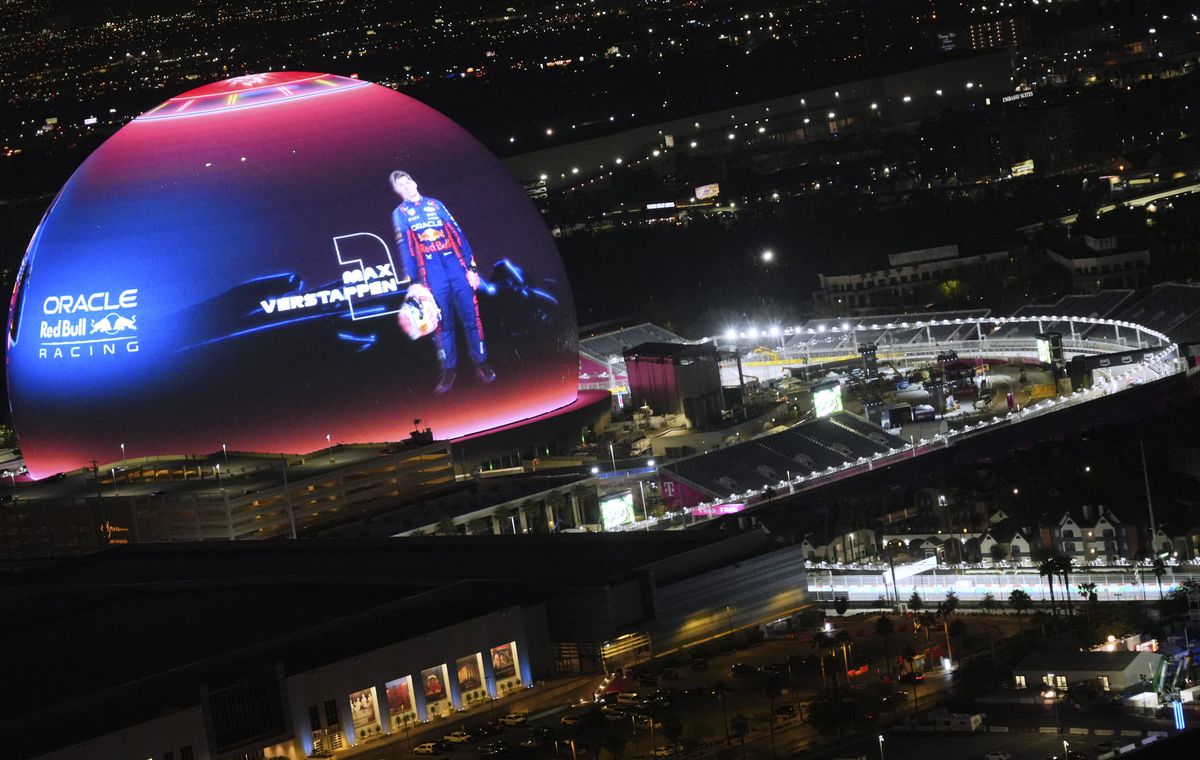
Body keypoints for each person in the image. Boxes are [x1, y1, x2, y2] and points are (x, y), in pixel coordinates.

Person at [391, 170, 495, 394]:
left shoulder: (436, 205)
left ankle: (482, 362)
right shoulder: (401, 213)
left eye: (407, 181)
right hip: (432, 273)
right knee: (441, 323)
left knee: (471, 317)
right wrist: (414, 281)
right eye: (401, 185)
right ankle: (449, 369)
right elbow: (406, 248)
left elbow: (458, 234)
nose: (407, 187)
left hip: (456, 267)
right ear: (398, 191)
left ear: (414, 181)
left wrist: (471, 268)